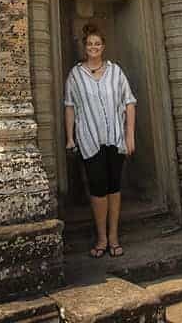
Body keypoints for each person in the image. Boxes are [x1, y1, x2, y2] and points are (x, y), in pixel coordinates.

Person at [64, 24, 137, 258]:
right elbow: (69, 107)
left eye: (97, 43)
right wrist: (69, 138)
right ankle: (102, 238)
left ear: (103, 47)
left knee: (114, 188)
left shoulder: (116, 72)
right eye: (90, 44)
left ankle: (114, 236)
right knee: (98, 189)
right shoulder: (75, 75)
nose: (93, 47)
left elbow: (129, 102)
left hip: (115, 138)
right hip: (89, 139)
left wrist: (130, 136)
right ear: (85, 48)